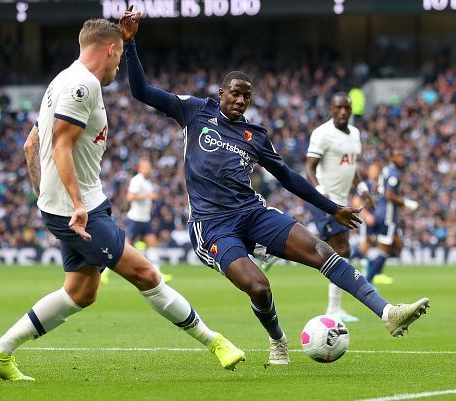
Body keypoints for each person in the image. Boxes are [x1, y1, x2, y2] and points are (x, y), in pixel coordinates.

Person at [121, 8, 429, 365]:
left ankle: (387, 312)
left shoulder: (255, 136)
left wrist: (333, 208)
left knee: (322, 250)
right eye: (234, 94)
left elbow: (289, 178)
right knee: (259, 286)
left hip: (252, 212)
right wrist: (130, 44)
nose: (239, 101)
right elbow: (141, 91)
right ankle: (277, 339)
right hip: (213, 225)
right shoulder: (195, 111)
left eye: (246, 97)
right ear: (221, 93)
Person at [0, 18, 245, 382]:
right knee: (146, 274)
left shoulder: (61, 80)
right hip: (79, 210)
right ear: (110, 49)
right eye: (119, 60)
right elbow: (59, 145)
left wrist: (46, 199)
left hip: (75, 205)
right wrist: (75, 204)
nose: (118, 68)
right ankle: (216, 342)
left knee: (81, 292)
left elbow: (30, 144)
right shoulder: (82, 86)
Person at [305, 93, 375, 322]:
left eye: (347, 108)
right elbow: (309, 168)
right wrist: (322, 193)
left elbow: (352, 166)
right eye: (339, 108)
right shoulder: (322, 134)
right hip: (325, 200)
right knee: (342, 249)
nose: (343, 112)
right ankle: (334, 309)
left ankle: (335, 307)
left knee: (337, 250)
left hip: (341, 203)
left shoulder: (355, 134)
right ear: (331, 109)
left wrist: (363, 188)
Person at [101, 158, 172, 284]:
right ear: (140, 169)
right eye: (145, 167)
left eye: (148, 167)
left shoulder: (147, 181)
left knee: (153, 244)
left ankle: (158, 273)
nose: (147, 169)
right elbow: (130, 197)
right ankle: (104, 272)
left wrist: (149, 205)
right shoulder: (137, 180)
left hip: (145, 219)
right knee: (123, 247)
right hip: (135, 219)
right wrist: (148, 197)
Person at [365, 149, 419, 284]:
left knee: (385, 248)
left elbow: (379, 190)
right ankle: (366, 280)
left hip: (380, 213)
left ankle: (371, 276)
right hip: (387, 216)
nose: (402, 159)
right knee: (385, 249)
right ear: (391, 157)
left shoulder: (386, 170)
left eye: (402, 156)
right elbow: (389, 195)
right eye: (398, 156)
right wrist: (405, 202)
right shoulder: (394, 173)